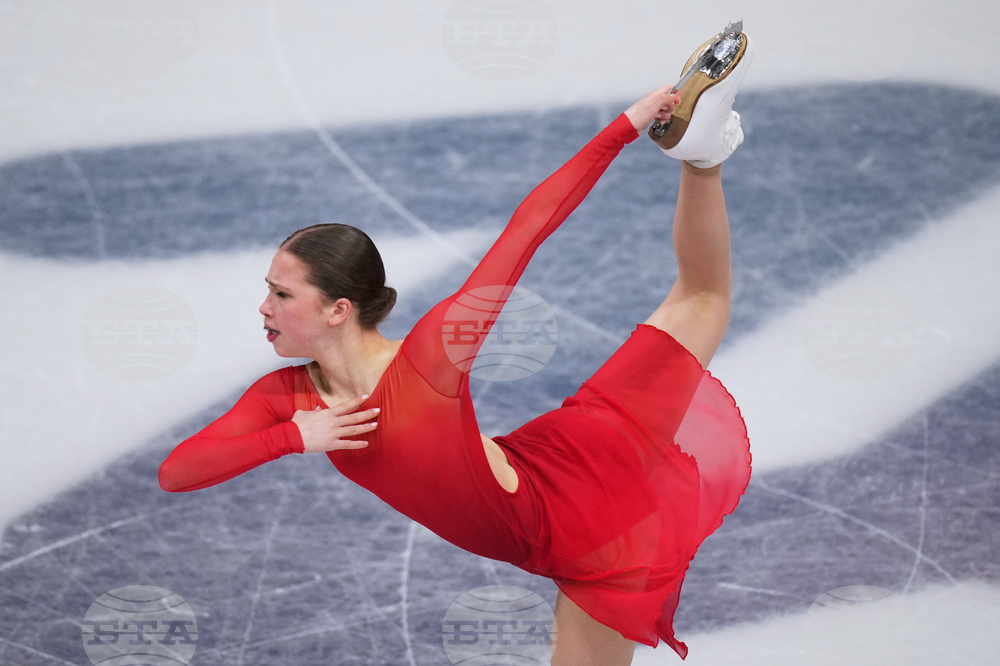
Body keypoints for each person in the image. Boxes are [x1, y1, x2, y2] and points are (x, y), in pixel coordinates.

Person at [159, 27, 754, 666]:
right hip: (559, 455)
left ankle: (701, 154)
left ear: (338, 310)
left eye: (281, 295)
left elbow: (528, 229)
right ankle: (705, 155)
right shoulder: (290, 400)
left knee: (703, 299)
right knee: (700, 300)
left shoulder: (430, 362)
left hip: (588, 524)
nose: (264, 309)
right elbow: (178, 472)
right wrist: (294, 438)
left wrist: (624, 127)